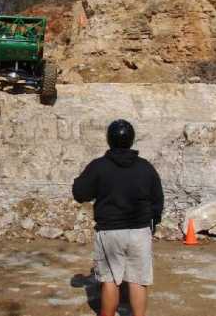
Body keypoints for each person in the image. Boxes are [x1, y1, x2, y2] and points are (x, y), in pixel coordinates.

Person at [72, 119, 164, 316]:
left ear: (109, 140)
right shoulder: (145, 167)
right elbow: (158, 199)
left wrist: (80, 180)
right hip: (139, 231)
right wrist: (153, 223)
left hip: (109, 232)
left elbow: (80, 193)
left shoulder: (98, 166)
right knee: (138, 281)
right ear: (131, 140)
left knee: (110, 280)